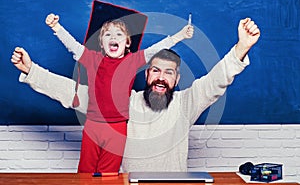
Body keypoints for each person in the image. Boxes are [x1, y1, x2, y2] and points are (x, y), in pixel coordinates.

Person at [11, 17, 260, 172]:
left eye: (169, 72)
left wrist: (240, 49)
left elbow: (215, 82)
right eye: (156, 71)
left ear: (178, 79)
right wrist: (31, 70)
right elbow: (70, 92)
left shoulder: (186, 103)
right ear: (146, 73)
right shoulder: (122, 102)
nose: (161, 77)